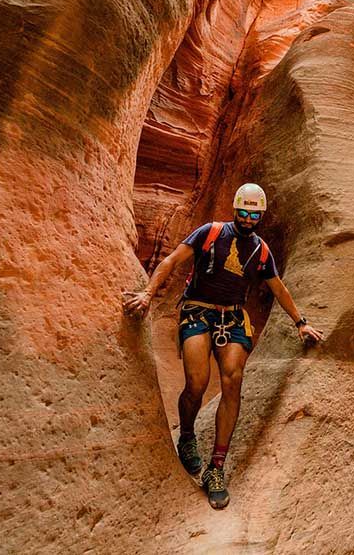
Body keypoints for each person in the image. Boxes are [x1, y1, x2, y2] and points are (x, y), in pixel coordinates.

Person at [123, 183, 323, 509]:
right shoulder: (211, 232)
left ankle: (216, 468)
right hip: (197, 312)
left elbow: (279, 288)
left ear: (260, 215)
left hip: (232, 320)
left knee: (232, 381)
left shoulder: (261, 251)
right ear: (235, 209)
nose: (247, 218)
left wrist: (301, 323)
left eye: (254, 214)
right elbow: (172, 260)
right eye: (243, 212)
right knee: (197, 383)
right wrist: (148, 293)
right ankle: (187, 436)